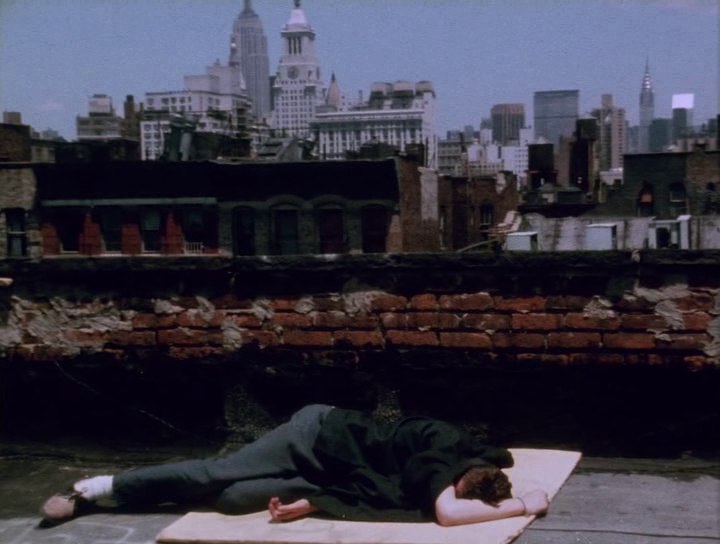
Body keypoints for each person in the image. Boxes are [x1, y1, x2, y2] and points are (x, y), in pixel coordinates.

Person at [41, 404, 549, 526]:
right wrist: (526, 506)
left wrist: (310, 504)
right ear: (457, 479)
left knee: (234, 500)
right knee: (218, 473)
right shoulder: (441, 455)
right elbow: (446, 514)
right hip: (314, 434)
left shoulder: (473, 465)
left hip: (332, 471)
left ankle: (137, 495)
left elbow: (377, 490)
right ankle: (93, 489)